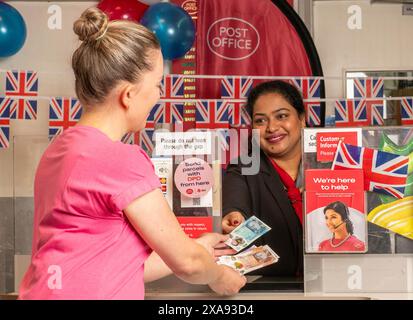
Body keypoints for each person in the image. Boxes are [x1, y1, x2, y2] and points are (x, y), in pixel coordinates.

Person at [18, 7, 246, 300]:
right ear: (128, 96)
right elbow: (188, 265)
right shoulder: (121, 160)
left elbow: (117, 262)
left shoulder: (58, 149)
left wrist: (199, 246)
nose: (159, 95)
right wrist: (218, 275)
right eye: (156, 86)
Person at [222, 80, 305, 277]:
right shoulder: (243, 169)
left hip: (333, 285)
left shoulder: (328, 167)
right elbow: (234, 204)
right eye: (260, 120)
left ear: (302, 118)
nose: (271, 127)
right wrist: (233, 218)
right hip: (274, 290)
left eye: (282, 116)